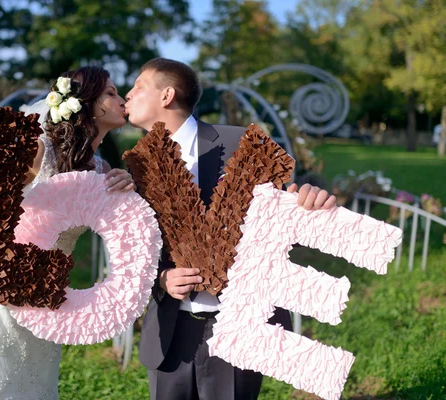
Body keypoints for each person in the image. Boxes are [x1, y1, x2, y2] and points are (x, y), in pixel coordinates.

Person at [124, 58, 337, 400]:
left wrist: (311, 205)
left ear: (166, 95)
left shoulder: (242, 144)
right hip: (170, 331)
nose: (127, 95)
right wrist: (162, 278)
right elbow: (130, 252)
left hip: (239, 326)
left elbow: (286, 225)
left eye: (138, 87)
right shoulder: (135, 166)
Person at [0, 66, 134, 400]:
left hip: (48, 300)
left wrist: (127, 190)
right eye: (111, 93)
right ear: (84, 103)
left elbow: (127, 233)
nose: (123, 100)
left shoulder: (103, 171)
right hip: (0, 293)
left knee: (34, 386)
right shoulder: (37, 151)